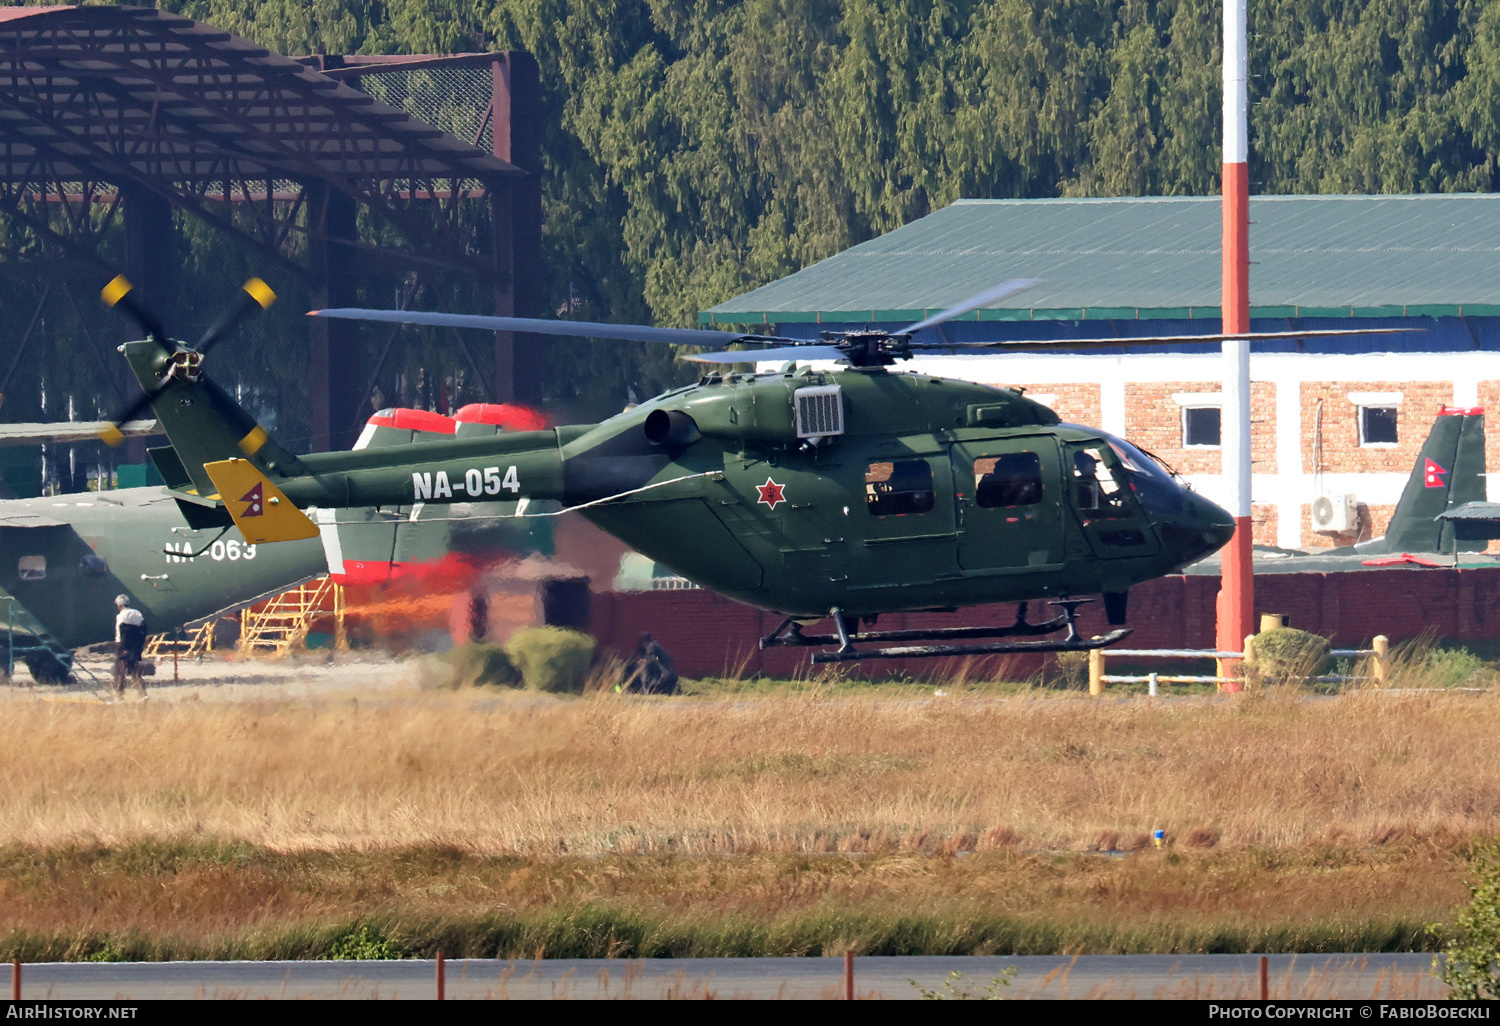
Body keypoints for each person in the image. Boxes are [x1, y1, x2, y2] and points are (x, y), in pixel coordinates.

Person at [113, 594, 148, 699]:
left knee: (120, 672)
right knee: (134, 671)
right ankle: (142, 694)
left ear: (119, 605)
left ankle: (119, 695)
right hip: (135, 645)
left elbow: (122, 633)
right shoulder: (137, 613)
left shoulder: (121, 616)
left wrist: (123, 648)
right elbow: (144, 628)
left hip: (123, 645)